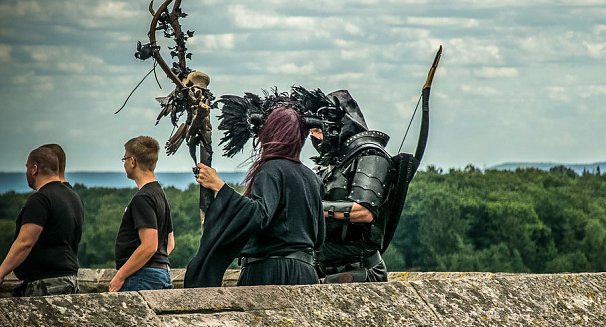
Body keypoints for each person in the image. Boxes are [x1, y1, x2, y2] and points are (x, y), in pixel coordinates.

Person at [185, 104, 325, 287]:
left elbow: (259, 214)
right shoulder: (313, 178)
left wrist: (217, 185)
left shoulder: (271, 170)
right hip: (306, 273)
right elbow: (319, 237)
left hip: (272, 272)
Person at [293, 87, 396, 283]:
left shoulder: (371, 156)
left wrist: (310, 206)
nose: (315, 137)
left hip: (361, 271)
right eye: (312, 132)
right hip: (324, 266)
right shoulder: (334, 164)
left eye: (318, 131)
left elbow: (364, 211)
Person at [0, 146, 84, 296]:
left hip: (45, 282)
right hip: (69, 278)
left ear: (34, 168)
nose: (26, 172)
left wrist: (1, 272)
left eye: (27, 167)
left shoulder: (40, 199)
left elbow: (25, 242)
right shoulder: (73, 196)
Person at [109, 136, 175, 292]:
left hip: (142, 276)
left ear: (132, 161)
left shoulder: (143, 198)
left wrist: (120, 277)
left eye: (124, 158)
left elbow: (150, 245)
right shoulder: (159, 193)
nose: (124, 163)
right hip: (159, 273)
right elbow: (169, 242)